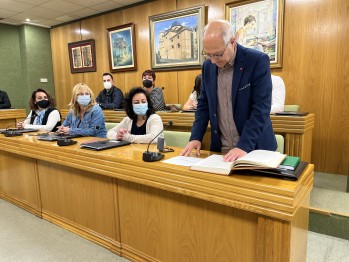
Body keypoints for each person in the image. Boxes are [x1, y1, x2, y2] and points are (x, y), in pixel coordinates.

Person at [180, 19, 277, 162]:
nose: (213, 60)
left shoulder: (256, 61)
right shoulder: (208, 66)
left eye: (218, 54)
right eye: (208, 54)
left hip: (254, 148)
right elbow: (204, 105)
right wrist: (196, 137)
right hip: (222, 151)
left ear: (232, 41)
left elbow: (261, 109)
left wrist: (243, 146)